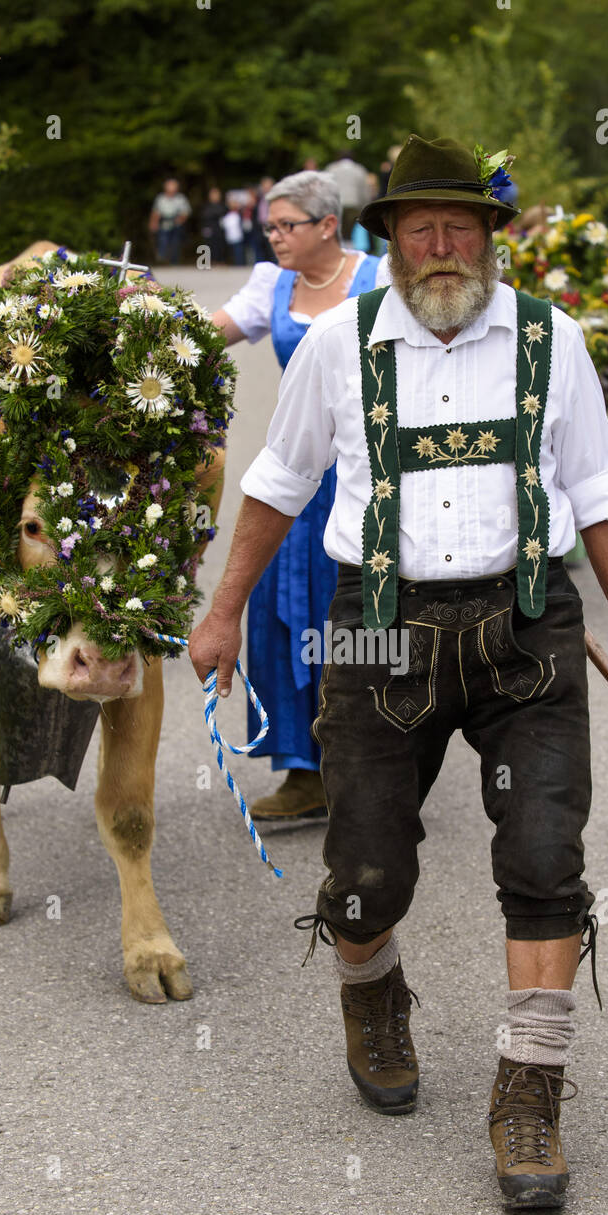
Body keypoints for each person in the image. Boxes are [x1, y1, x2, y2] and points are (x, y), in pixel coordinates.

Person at [190, 135, 608, 1210]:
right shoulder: (338, 342)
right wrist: (222, 610)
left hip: (526, 626)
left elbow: (601, 493)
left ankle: (529, 1093)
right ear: (390, 240)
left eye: (460, 225)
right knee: (365, 875)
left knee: (545, 858)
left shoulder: (552, 339)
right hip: (377, 629)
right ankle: (372, 991)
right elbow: (277, 479)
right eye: (420, 227)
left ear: (492, 238)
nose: (441, 245)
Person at [209, 170, 384, 820]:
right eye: (270, 228)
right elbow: (205, 336)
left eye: (287, 226)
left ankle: (369, 767)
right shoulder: (271, 286)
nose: (275, 237)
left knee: (360, 618)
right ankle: (302, 771)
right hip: (298, 473)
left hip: (366, 472)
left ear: (327, 225)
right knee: (284, 615)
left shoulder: (382, 277)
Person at [323, 150, 372, 241]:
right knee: (351, 236)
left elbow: (325, 189)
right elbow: (364, 191)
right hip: (353, 205)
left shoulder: (331, 168)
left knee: (337, 234)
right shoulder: (359, 169)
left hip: (336, 205)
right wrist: (365, 208)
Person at [148, 178, 191, 265]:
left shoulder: (180, 198)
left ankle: (174, 261)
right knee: (162, 241)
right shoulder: (161, 198)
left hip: (176, 223)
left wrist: (180, 220)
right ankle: (162, 260)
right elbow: (156, 212)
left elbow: (186, 212)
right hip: (164, 222)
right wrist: (153, 223)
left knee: (175, 242)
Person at [198, 186, 227, 266]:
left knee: (220, 245)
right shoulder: (206, 206)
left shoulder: (223, 205)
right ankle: (210, 261)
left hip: (219, 229)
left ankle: (220, 261)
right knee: (209, 246)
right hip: (209, 229)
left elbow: (223, 214)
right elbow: (205, 216)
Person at [220, 194, 245, 266]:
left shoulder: (240, 213)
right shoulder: (226, 213)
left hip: (238, 236)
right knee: (232, 253)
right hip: (230, 237)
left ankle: (240, 265)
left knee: (239, 252)